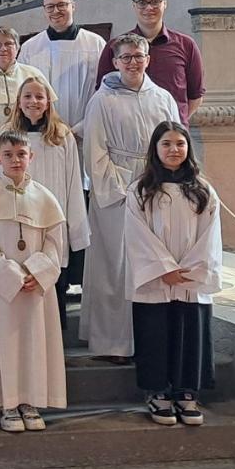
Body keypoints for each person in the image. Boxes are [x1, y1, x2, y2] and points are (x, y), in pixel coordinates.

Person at [80, 34, 178, 360]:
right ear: (115, 61)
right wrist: (119, 191)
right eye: (126, 57)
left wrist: (164, 183)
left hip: (156, 187)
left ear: (148, 59)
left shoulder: (163, 98)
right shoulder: (102, 100)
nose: (133, 62)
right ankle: (113, 343)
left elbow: (174, 144)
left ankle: (148, 340)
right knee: (115, 267)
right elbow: (94, 152)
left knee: (151, 264)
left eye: (138, 56)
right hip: (117, 190)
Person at [0, 131, 66, 433]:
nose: (15, 160)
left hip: (35, 287)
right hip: (0, 285)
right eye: (8, 154)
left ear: (31, 157)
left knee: (34, 341)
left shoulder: (45, 197)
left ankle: (30, 400)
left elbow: (54, 242)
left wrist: (37, 272)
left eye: (21, 154)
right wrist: (10, 274)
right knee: (2, 339)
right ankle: (6, 403)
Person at [126, 122, 222, 427]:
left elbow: (210, 235)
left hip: (191, 278)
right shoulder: (141, 190)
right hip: (155, 280)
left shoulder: (203, 190)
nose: (173, 150)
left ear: (188, 148)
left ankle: (186, 392)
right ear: (155, 149)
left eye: (180, 144)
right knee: (155, 333)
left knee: (189, 332)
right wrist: (164, 269)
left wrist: (190, 269)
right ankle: (158, 393)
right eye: (166, 144)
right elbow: (136, 234)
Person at [4, 77, 90, 326]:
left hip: (53, 222)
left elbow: (74, 184)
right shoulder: (6, 134)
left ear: (48, 102)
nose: (34, 101)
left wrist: (76, 228)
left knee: (52, 284)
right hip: (17, 222)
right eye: (28, 96)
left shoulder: (61, 136)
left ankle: (53, 347)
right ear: (19, 102)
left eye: (39, 96)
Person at [94, 0, 204, 124]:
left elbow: (195, 96)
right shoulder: (115, 47)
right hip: (128, 133)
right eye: (142, 3)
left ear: (165, 3)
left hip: (171, 134)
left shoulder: (186, 45)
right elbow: (103, 91)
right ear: (134, 5)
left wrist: (175, 121)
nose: (148, 8)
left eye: (155, 2)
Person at [17, 0, 106, 140]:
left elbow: (104, 91)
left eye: (61, 5)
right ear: (44, 10)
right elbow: (22, 93)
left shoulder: (95, 44)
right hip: (42, 134)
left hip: (86, 134)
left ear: (73, 6)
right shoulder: (30, 48)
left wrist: (80, 129)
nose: (56, 11)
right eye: (50, 7)